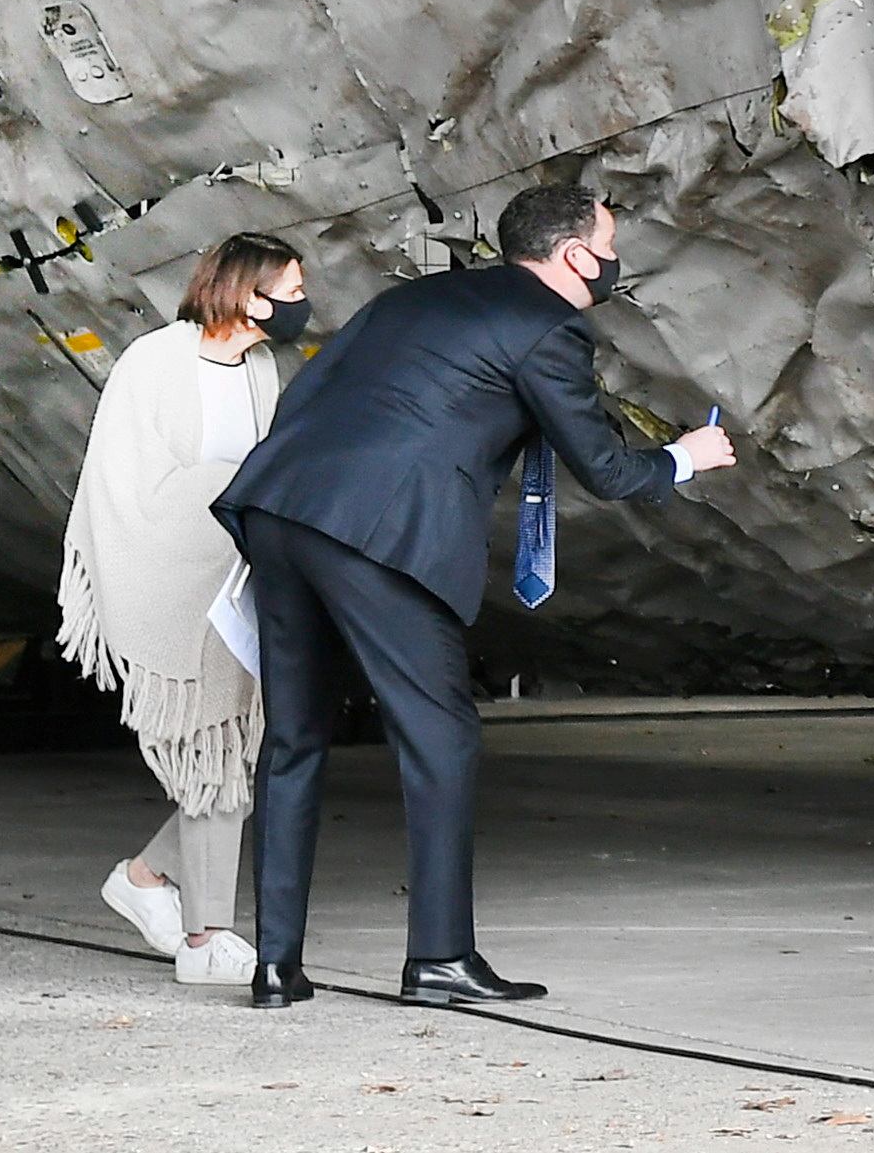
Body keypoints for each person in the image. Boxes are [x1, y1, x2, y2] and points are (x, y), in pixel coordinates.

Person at [210, 183, 736, 1008]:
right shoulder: (550, 327)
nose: (613, 261)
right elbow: (604, 467)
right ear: (575, 256)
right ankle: (439, 959)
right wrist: (686, 455)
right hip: (378, 530)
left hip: (281, 504)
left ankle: (277, 964)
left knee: (295, 737)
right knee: (442, 735)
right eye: (609, 243)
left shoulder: (413, 296)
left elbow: (312, 395)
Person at [57, 229, 306, 987]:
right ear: (242, 290)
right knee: (216, 754)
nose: (301, 306)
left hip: (243, 580)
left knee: (234, 755)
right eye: (289, 292)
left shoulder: (268, 365)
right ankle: (205, 937)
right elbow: (125, 486)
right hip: (175, 576)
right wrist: (230, 484)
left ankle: (143, 877)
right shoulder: (156, 361)